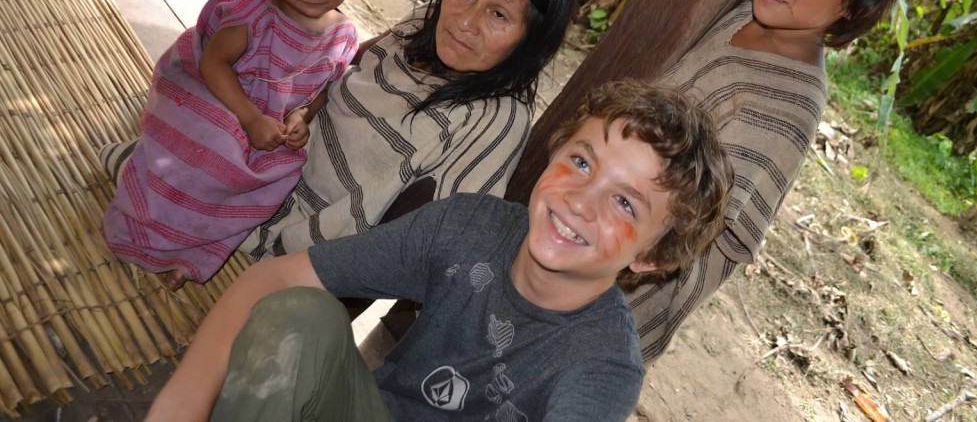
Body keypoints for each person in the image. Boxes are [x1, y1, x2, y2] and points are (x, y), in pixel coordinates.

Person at [142, 79, 733, 422]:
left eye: (626, 204)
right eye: (581, 162)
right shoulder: (470, 229)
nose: (581, 201)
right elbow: (268, 281)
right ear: (554, 156)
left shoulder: (600, 367)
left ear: (651, 259)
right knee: (298, 315)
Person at [626, 0, 919, 362]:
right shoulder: (747, 14)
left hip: (628, 283)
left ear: (856, 2)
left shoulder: (787, 109)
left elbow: (704, 231)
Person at [241, 0, 578, 258]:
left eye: (499, 14)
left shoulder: (494, 117)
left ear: (530, 39)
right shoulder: (423, 25)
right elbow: (340, 66)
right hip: (259, 172)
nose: (464, 22)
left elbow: (438, 243)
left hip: (290, 247)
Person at [102, 0, 362, 288]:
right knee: (212, 150)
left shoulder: (344, 36)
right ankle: (142, 205)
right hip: (215, 93)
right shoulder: (257, 13)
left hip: (265, 124)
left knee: (275, 178)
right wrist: (250, 118)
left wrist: (300, 117)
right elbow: (213, 63)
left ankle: (191, 254)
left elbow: (321, 90)